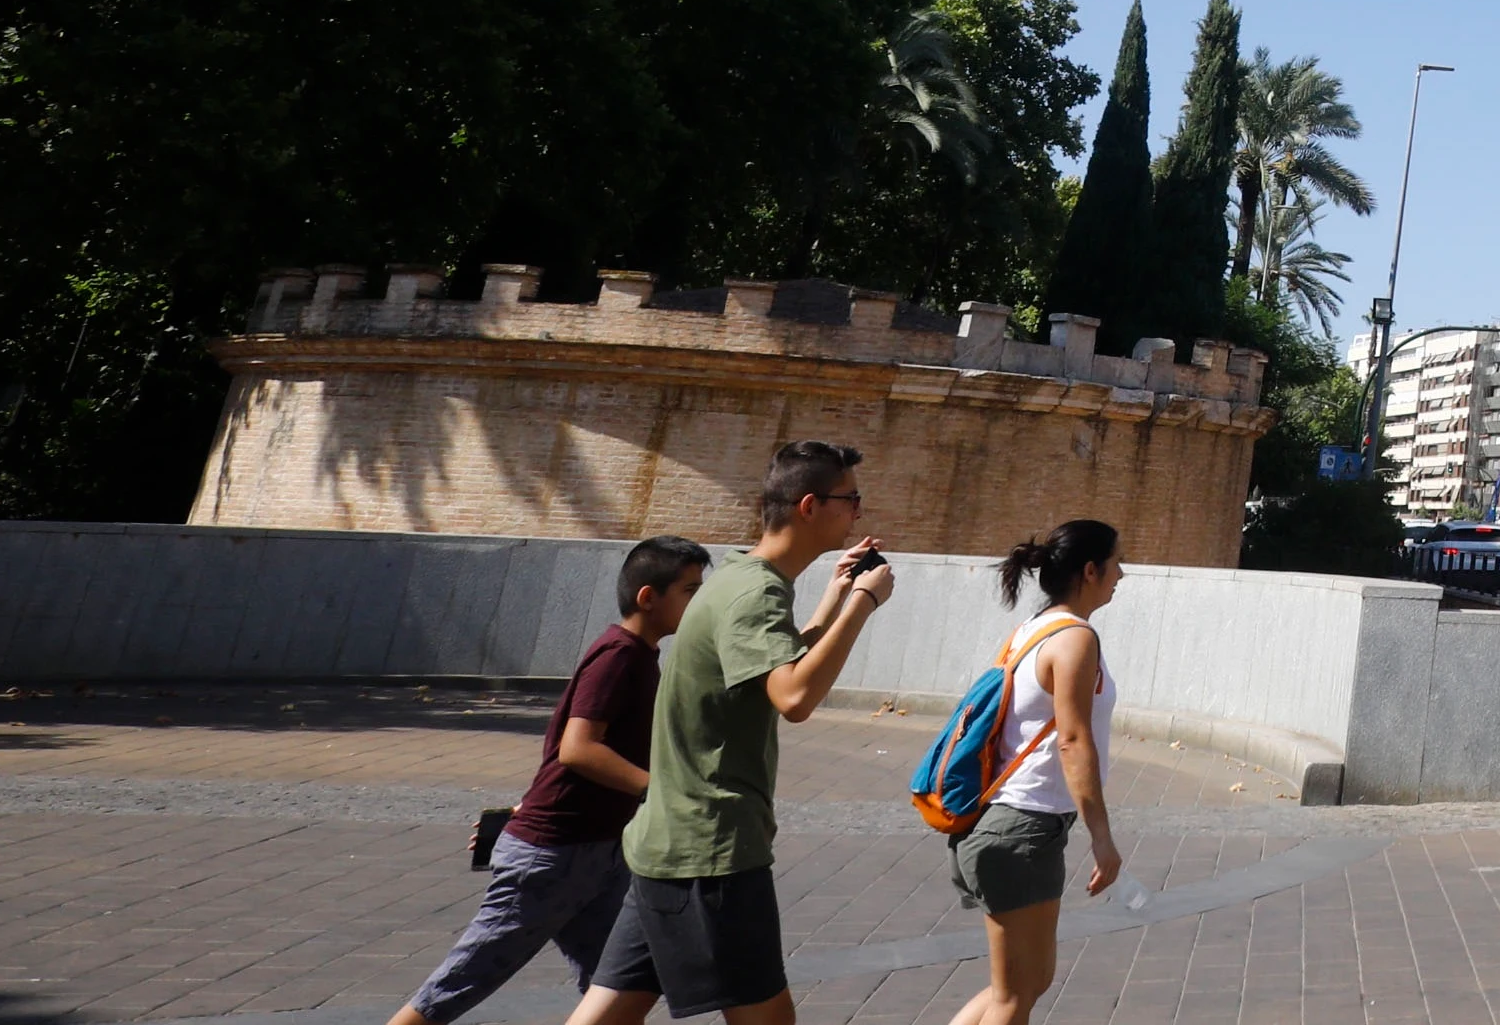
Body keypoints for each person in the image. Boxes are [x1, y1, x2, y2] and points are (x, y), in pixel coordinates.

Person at [562, 439, 898, 1025]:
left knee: (608, 1012)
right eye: (852, 500)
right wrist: (864, 604)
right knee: (768, 1020)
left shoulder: (740, 576)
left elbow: (772, 665)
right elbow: (794, 696)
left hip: (670, 839)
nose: (859, 513)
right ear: (811, 505)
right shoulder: (755, 593)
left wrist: (836, 595)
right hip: (710, 849)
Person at [386, 539, 709, 1025]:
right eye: (689, 590)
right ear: (648, 597)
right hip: (555, 856)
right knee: (458, 985)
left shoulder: (639, 656)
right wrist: (659, 790)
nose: (697, 601)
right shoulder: (618, 656)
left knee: (622, 983)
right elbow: (577, 749)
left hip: (597, 851)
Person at [943, 521, 1130, 1025]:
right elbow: (1073, 741)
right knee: (1013, 996)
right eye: (1115, 564)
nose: (1122, 574)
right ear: (1090, 571)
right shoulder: (1075, 640)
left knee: (1028, 982)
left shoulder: (1035, 628)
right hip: (1021, 829)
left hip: (1015, 826)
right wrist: (1102, 836)